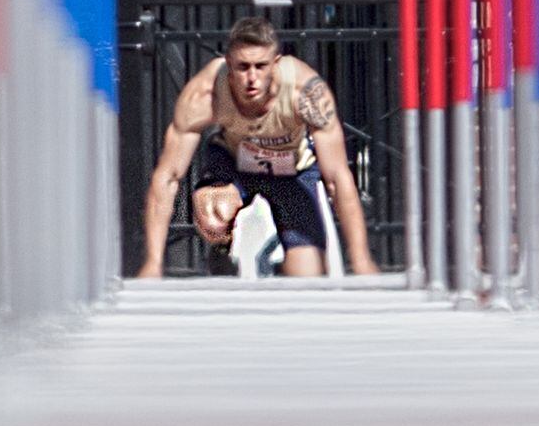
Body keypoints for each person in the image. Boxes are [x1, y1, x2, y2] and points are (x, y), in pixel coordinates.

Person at [137, 16, 379, 278]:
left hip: (292, 172)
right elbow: (168, 176)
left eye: (260, 66)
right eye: (242, 67)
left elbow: (337, 177)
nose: (251, 78)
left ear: (276, 64)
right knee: (213, 213)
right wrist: (153, 262)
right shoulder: (206, 93)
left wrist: (361, 259)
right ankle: (220, 248)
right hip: (235, 164)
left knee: (308, 275)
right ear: (228, 63)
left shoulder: (306, 92)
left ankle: (281, 269)